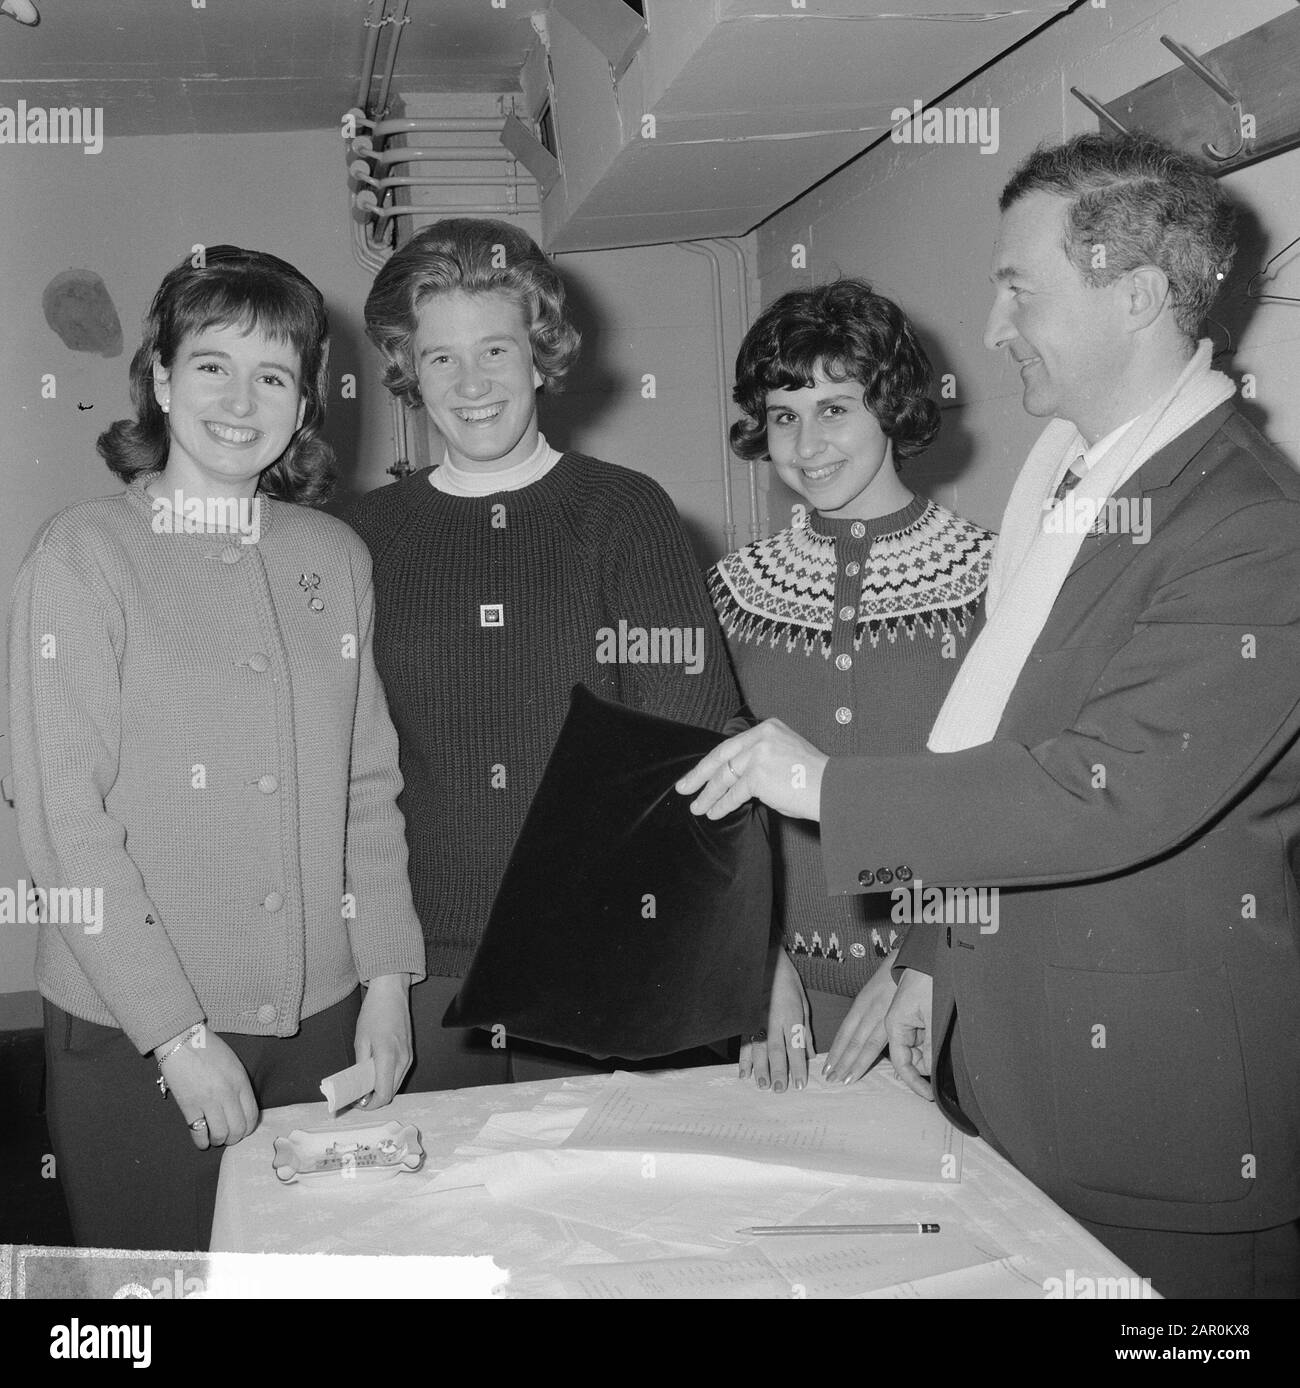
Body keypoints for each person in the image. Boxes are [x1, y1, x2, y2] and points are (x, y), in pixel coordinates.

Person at [677, 132, 1300, 1299]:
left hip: (1156, 1121)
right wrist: (926, 961)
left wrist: (820, 785)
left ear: (1139, 295)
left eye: (1020, 286)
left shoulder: (1252, 527)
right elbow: (997, 750)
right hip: (1018, 1077)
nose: (996, 322)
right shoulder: (1075, 481)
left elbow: (1097, 789)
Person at [7, 246, 425, 1251]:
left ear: (304, 400)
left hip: (326, 1022)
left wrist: (385, 983)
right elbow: (66, 826)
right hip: (136, 1030)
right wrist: (177, 1036)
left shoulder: (334, 556)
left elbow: (367, 790)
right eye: (212, 365)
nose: (242, 399)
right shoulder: (85, 552)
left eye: (274, 374)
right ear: (158, 375)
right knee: (152, 1306)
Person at [346, 218, 740, 1090]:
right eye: (441, 357)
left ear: (541, 355)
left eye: (496, 349)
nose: (472, 382)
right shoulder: (362, 538)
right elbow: (351, 771)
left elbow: (687, 748)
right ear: (409, 370)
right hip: (423, 963)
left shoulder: (623, 513)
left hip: (603, 947)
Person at [708, 279, 992, 1093]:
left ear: (892, 409)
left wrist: (922, 957)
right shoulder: (728, 591)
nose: (805, 443)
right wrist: (755, 965)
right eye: (785, 415)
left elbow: (1007, 796)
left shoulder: (995, 578)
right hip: (782, 1004)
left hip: (951, 980)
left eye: (835, 408)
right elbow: (712, 810)